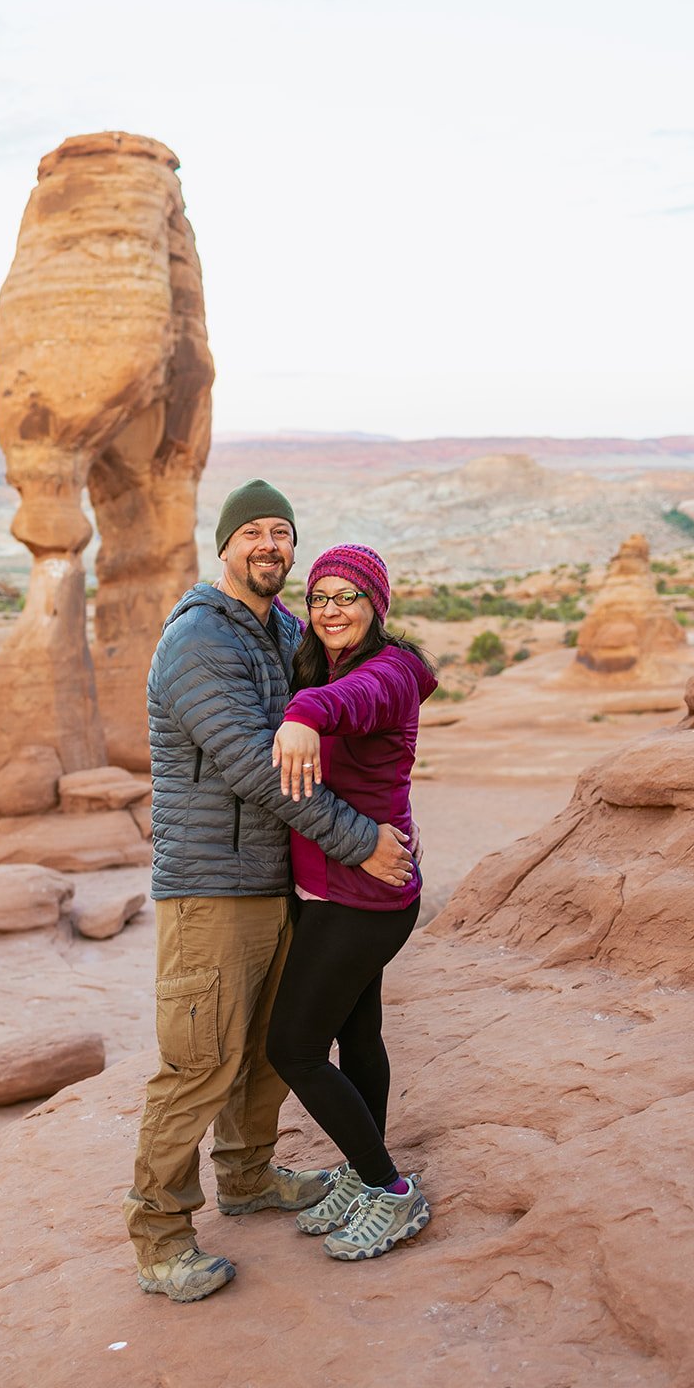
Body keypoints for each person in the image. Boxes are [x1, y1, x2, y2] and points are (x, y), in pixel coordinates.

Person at [123, 483, 416, 1303]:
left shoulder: (284, 629)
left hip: (279, 881)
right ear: (223, 544)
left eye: (280, 533)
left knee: (263, 1048)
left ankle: (248, 1178)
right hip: (212, 887)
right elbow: (255, 768)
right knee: (198, 1063)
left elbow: (356, 722)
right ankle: (160, 1238)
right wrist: (361, 842)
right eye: (250, 531)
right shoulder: (196, 641)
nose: (267, 545)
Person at [265, 544, 437, 1261]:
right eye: (320, 597)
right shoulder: (326, 657)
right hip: (335, 886)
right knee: (357, 1037)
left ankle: (391, 1193)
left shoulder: (385, 671)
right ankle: (370, 1179)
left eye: (348, 596)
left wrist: (303, 713)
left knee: (294, 1049)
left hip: (361, 897)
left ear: (377, 606)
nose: (332, 610)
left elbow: (348, 704)